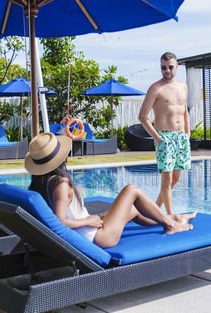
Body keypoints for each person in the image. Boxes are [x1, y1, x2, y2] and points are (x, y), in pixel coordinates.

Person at [25, 132, 196, 249]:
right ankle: (170, 225)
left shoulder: (42, 184)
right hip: (99, 237)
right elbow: (60, 221)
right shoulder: (61, 184)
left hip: (89, 231)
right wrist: (88, 221)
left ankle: (174, 218)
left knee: (133, 209)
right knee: (131, 189)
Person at [138, 51, 191, 215]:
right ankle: (170, 216)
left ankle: (154, 209)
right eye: (163, 68)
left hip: (181, 137)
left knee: (176, 178)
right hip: (165, 137)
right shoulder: (155, 88)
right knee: (166, 180)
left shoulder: (183, 87)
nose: (167, 70)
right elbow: (142, 116)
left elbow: (185, 112)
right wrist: (158, 138)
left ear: (177, 67)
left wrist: (187, 133)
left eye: (170, 67)